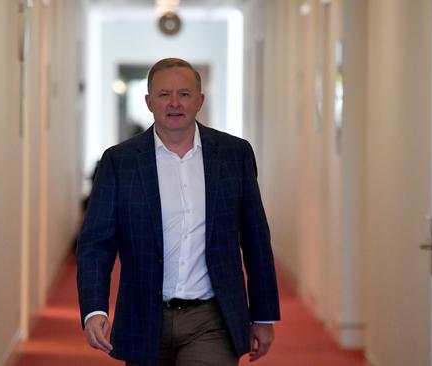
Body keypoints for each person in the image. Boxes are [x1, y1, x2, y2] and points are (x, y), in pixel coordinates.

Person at [77, 58, 280, 366]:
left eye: (184, 94)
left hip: (212, 318)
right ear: (148, 102)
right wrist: (94, 309)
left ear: (200, 100)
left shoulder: (233, 155)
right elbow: (96, 244)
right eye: (164, 94)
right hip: (144, 315)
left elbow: (255, 239)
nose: (174, 103)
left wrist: (264, 314)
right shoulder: (120, 162)